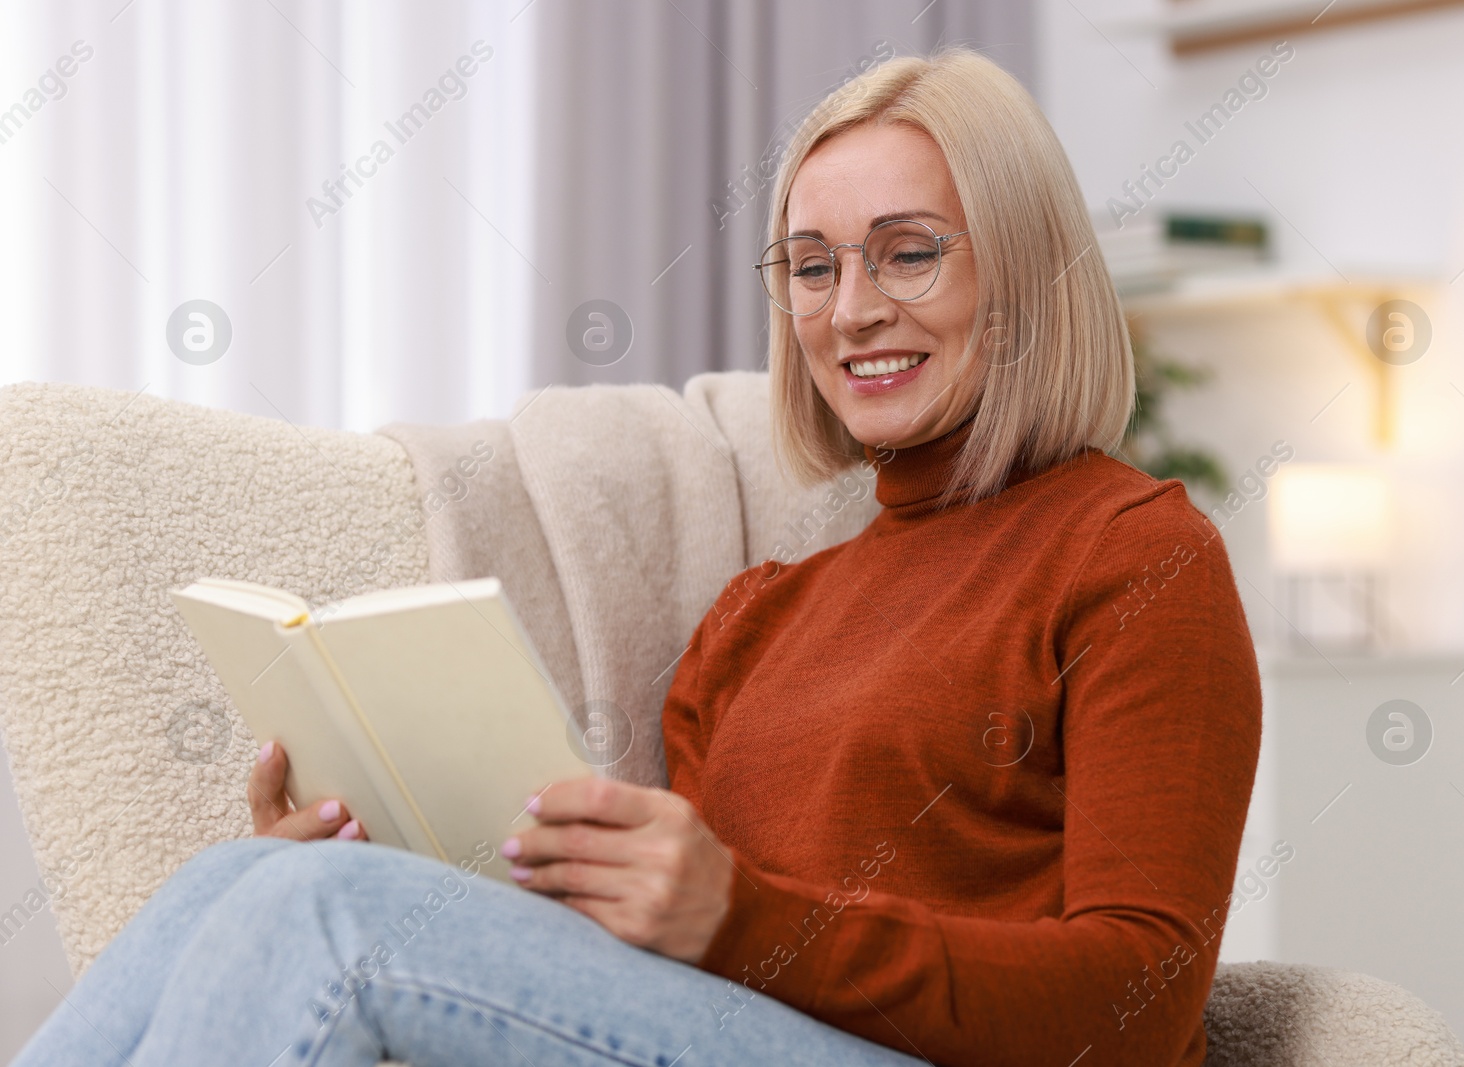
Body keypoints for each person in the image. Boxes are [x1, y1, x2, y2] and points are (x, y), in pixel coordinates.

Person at [16, 46, 1258, 1067]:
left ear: (1028, 272)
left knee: (318, 916)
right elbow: (659, 979)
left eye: (908, 251)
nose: (849, 309)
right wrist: (402, 848)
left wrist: (745, 917)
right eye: (812, 268)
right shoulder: (762, 612)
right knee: (242, 881)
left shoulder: (1135, 556)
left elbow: (1138, 1002)